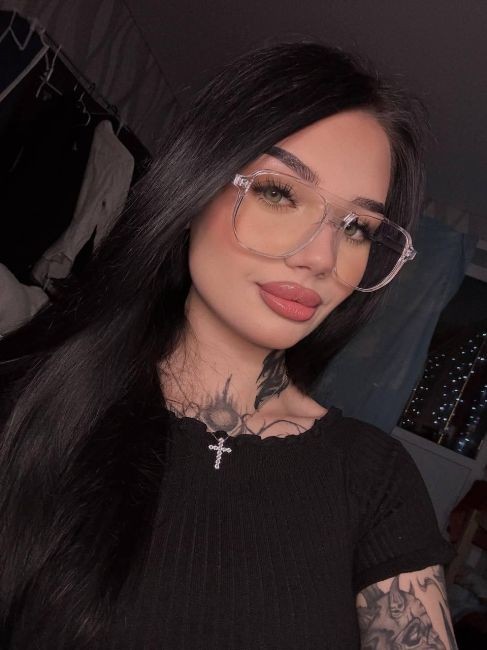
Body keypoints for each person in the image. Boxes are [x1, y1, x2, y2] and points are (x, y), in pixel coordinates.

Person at [0, 40, 458, 649]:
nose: (322, 257)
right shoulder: (26, 398)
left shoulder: (373, 480)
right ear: (195, 186)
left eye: (357, 228)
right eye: (279, 193)